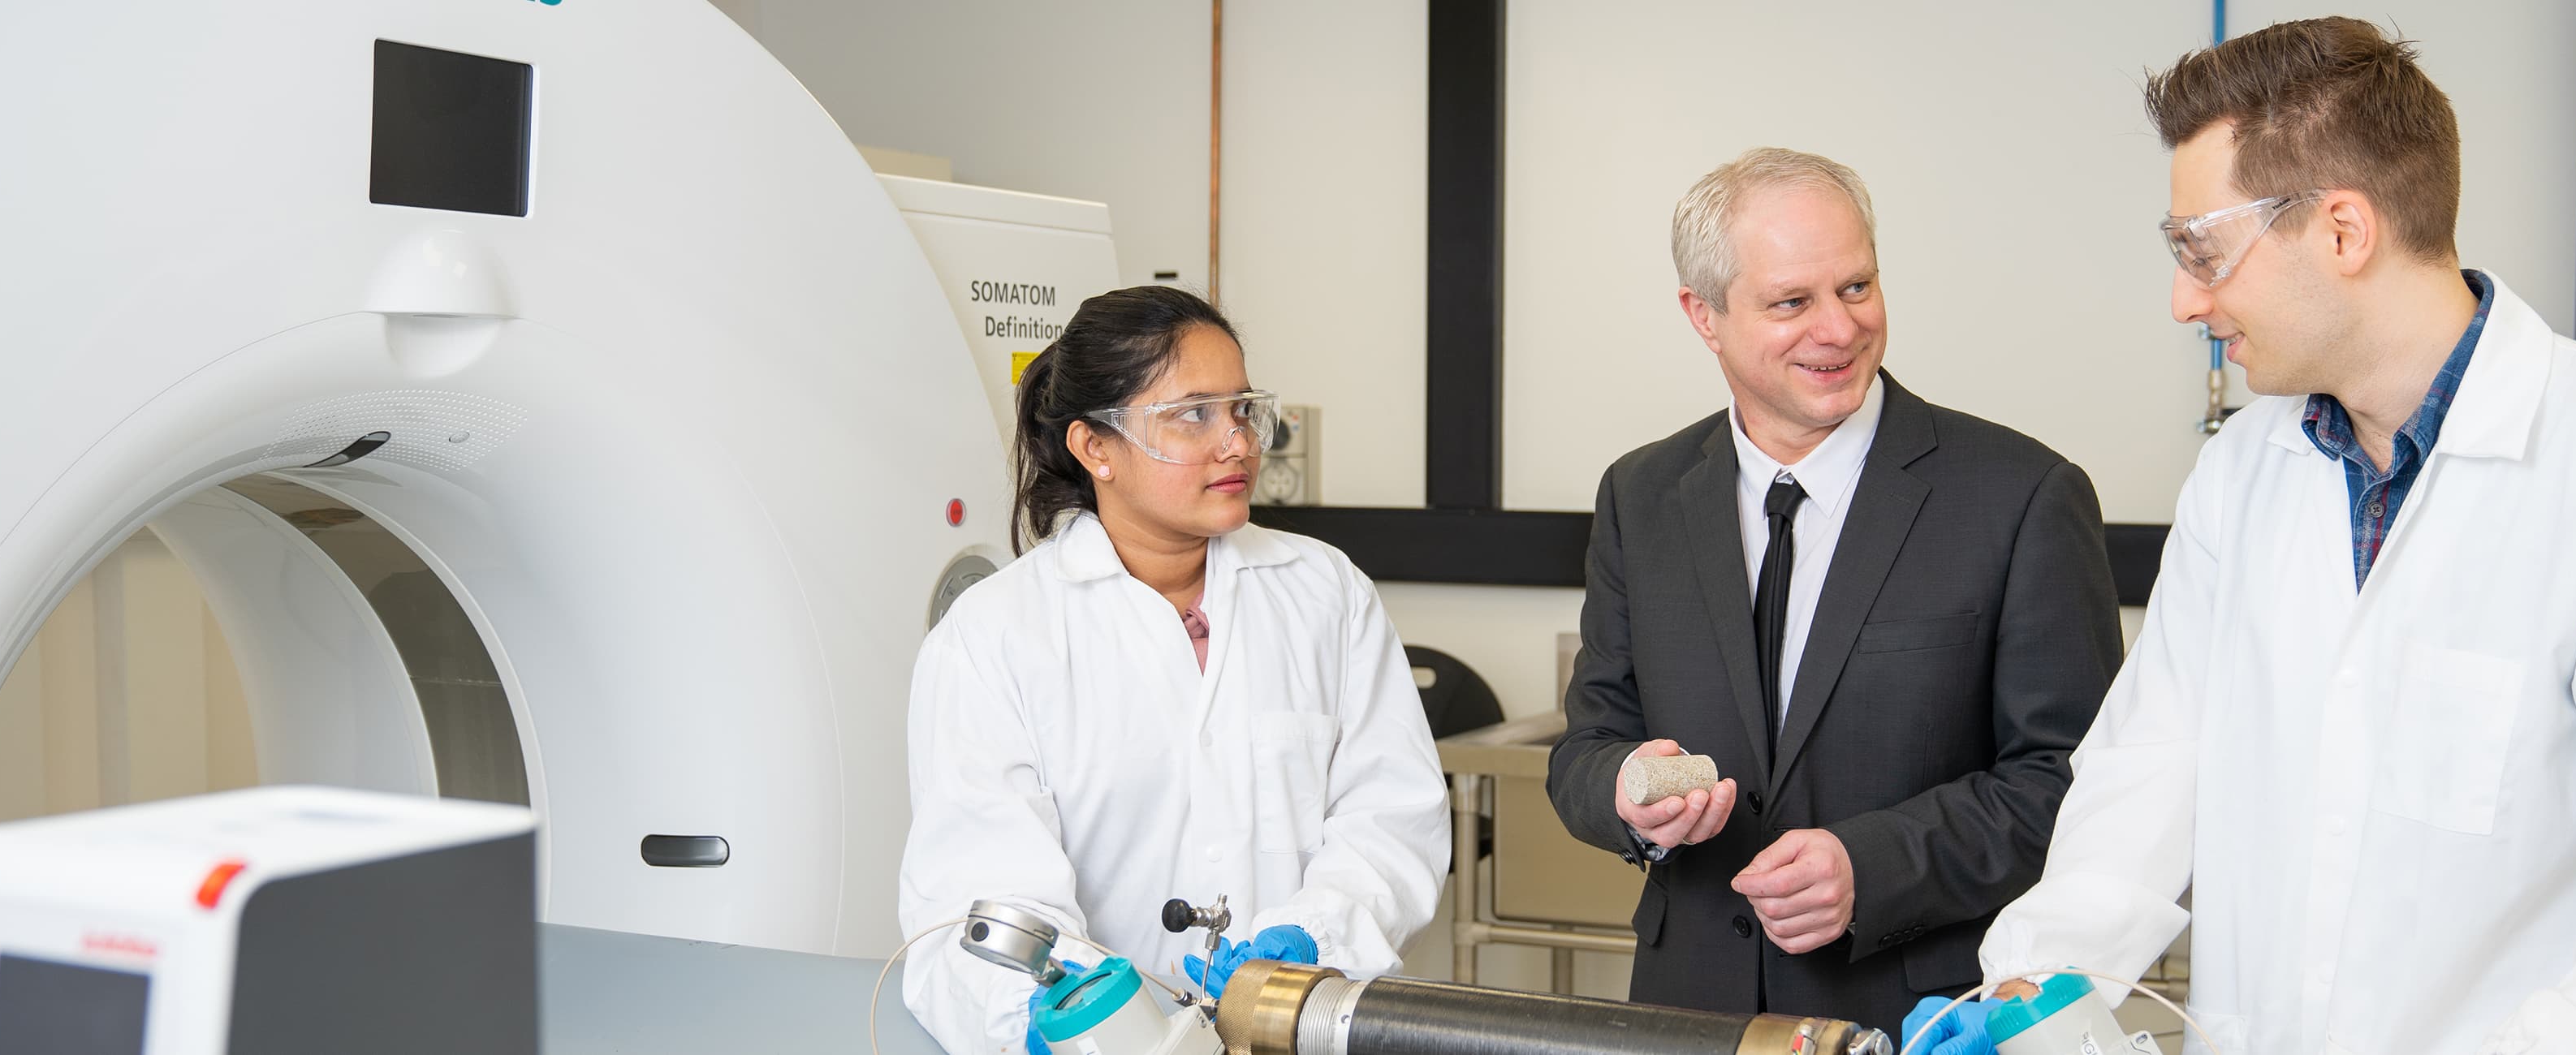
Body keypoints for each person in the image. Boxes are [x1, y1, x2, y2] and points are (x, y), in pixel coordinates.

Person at [1905, 19, 2576, 1055]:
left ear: (2342, 232)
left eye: (2203, 251)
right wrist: (2034, 981)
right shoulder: (2244, 470)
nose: (2185, 300)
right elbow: (2151, 764)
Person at [1546, 147, 2125, 1037]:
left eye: (1856, 287)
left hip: (1916, 1018)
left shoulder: (2022, 496)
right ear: (1704, 316)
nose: (1839, 328)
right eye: (1792, 302)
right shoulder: (1641, 494)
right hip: (1687, 1014)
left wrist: (1875, 866)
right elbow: (1587, 746)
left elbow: (2075, 783)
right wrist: (1624, 792)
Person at [896, 286, 1449, 1055]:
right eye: (1194, 415)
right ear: (1096, 448)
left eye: (1242, 409)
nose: (1238, 443)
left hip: (1294, 1029)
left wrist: (1314, 937)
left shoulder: (1325, 593)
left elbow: (1393, 818)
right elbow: (985, 894)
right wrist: (1060, 1020)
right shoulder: (995, 636)